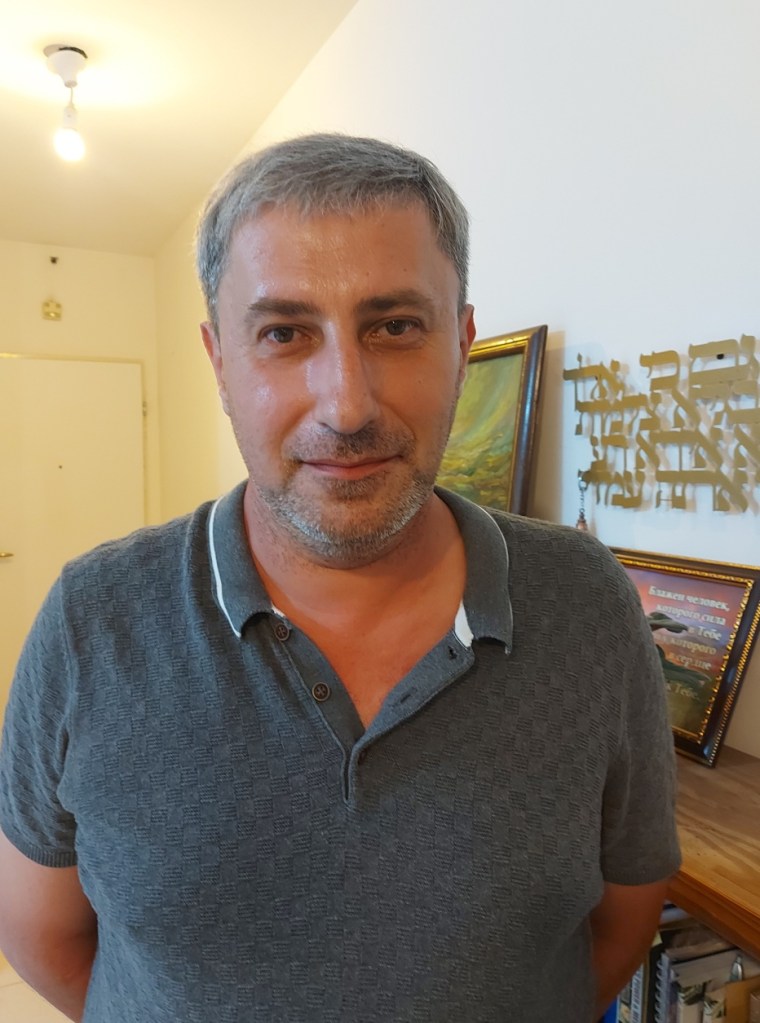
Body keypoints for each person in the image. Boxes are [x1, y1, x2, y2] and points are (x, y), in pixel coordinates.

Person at [0, 134, 680, 1023]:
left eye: (394, 326)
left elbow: (620, 927)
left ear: (462, 343)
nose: (347, 404)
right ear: (219, 361)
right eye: (284, 333)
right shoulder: (93, 621)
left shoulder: (587, 604)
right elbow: (41, 935)